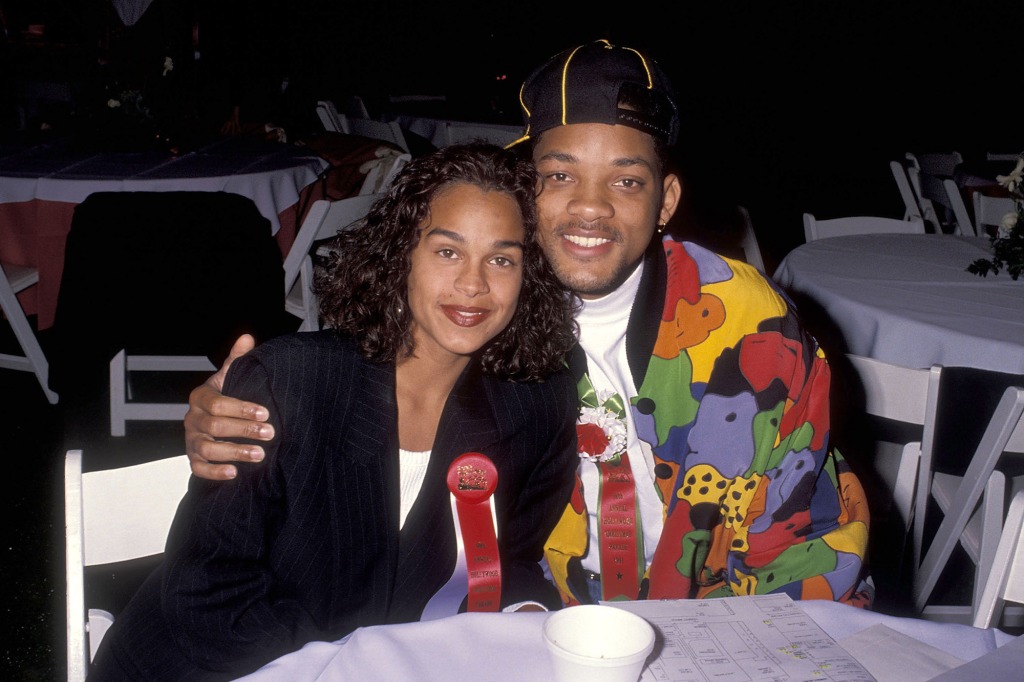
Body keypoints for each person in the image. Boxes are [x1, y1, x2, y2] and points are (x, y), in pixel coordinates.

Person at [185, 39, 870, 609]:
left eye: (627, 181)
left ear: (666, 200)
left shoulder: (750, 326)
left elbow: (793, 533)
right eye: (560, 175)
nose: (590, 209)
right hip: (542, 615)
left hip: (739, 609)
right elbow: (361, 379)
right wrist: (238, 411)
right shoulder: (485, 305)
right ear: (526, 187)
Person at [90, 142, 580, 680]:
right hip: (221, 661)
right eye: (447, 251)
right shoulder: (288, 385)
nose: (473, 284)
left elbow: (512, 559)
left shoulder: (535, 404)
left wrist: (528, 618)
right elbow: (208, 593)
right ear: (401, 257)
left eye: (502, 259)